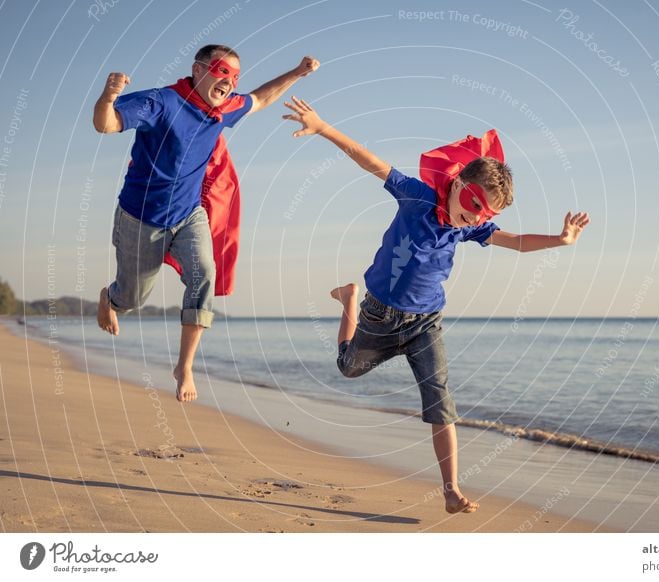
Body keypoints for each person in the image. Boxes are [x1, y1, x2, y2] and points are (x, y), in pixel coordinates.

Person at [282, 96, 590, 514]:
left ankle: (450, 489)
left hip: (426, 323)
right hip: (379, 314)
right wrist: (322, 126)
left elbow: (514, 243)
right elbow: (368, 159)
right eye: (475, 205)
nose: (478, 218)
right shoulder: (417, 197)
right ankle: (349, 299)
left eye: (488, 214)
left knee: (440, 400)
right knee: (348, 369)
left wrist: (560, 240)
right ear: (460, 184)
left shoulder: (468, 230)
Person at [94, 45, 319, 403]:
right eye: (221, 71)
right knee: (134, 297)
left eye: (235, 76)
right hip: (141, 218)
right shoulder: (161, 102)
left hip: (188, 214)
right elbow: (106, 124)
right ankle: (113, 298)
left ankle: (184, 366)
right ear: (199, 70)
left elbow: (260, 98)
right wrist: (108, 97)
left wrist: (297, 72)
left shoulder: (225, 109)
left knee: (205, 274)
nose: (229, 81)